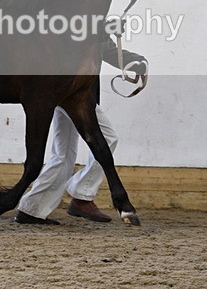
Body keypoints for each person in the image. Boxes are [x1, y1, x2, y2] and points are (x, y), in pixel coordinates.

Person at [14, 38, 146, 224]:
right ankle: (82, 196)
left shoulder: (89, 20)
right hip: (71, 92)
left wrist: (135, 61)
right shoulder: (76, 20)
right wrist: (104, 29)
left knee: (64, 153)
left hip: (69, 90)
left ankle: (32, 209)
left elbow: (106, 50)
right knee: (106, 139)